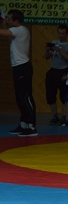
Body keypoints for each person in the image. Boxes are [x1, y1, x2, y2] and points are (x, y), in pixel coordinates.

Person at [0, 9, 37, 137]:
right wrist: (3, 23)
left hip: (23, 67)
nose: (7, 20)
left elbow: (4, 32)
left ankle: (32, 126)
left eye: (9, 19)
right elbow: (7, 33)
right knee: (20, 97)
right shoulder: (16, 30)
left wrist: (3, 23)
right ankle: (24, 124)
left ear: (16, 21)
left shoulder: (20, 29)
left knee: (26, 97)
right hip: (18, 67)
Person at [44, 24, 68, 125]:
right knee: (50, 95)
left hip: (63, 71)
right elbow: (46, 57)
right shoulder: (54, 42)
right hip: (53, 71)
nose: (61, 35)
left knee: (63, 96)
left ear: (66, 34)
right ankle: (54, 116)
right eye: (59, 33)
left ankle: (64, 116)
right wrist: (48, 50)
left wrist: (60, 51)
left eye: (63, 33)